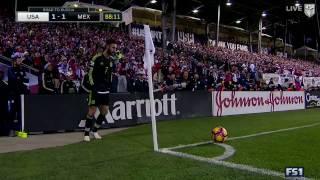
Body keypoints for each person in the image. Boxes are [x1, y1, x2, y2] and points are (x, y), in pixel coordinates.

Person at [84, 39, 117, 142]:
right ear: (107, 46)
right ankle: (86, 134)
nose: (115, 50)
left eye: (115, 48)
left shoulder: (111, 60)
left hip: (105, 89)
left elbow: (110, 75)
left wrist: (109, 86)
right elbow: (89, 73)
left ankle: (95, 130)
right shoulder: (97, 58)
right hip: (95, 88)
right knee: (92, 111)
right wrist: (93, 86)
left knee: (105, 111)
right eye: (113, 47)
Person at [7, 55, 29, 135]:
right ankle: (11, 130)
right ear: (14, 61)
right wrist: (20, 78)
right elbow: (13, 79)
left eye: (20, 59)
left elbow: (26, 80)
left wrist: (25, 88)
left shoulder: (22, 69)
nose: (20, 60)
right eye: (18, 59)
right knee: (12, 112)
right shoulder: (10, 69)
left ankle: (21, 130)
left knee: (21, 112)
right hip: (12, 94)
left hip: (21, 95)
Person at [0, 69, 9, 136]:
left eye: (2, 73)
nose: (1, 75)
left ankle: (4, 132)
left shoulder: (5, 83)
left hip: (4, 103)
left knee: (3, 118)